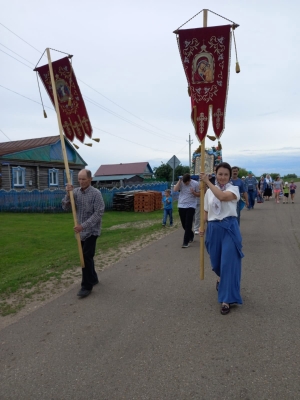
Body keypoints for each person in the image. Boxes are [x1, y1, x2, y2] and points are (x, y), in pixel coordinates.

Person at [199, 162, 244, 315]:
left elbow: (222, 196)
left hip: (229, 228)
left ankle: (226, 299)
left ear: (230, 176)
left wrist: (207, 182)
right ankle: (220, 279)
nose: (223, 177)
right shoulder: (208, 192)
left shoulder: (234, 189)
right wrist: (202, 227)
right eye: (220, 174)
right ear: (216, 174)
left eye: (226, 174)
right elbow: (206, 211)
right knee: (216, 263)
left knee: (228, 264)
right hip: (213, 229)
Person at [62, 169, 105, 298]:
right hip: (80, 232)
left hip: (92, 230)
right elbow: (65, 207)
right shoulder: (75, 193)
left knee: (85, 256)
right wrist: (67, 194)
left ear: (90, 179)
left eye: (83, 179)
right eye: (79, 179)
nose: (81, 182)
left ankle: (86, 286)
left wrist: (84, 226)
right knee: (88, 257)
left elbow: (99, 213)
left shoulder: (96, 194)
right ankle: (93, 278)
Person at [173, 173, 199, 248]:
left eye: (186, 182)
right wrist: (179, 181)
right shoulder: (181, 182)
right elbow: (175, 189)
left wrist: (194, 193)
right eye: (184, 182)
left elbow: (199, 194)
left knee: (188, 224)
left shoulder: (195, 183)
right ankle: (191, 234)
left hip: (191, 205)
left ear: (189, 180)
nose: (185, 183)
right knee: (184, 225)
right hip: (181, 205)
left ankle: (185, 242)